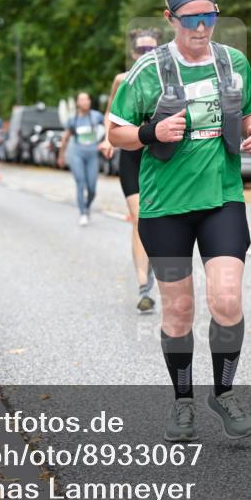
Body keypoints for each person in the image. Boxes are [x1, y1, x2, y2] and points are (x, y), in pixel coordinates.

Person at [108, 0, 251, 441]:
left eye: (209, 16)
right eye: (190, 19)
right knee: (178, 311)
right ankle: (183, 403)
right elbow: (115, 131)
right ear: (170, 18)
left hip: (222, 198)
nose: (201, 28)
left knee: (227, 299)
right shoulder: (147, 72)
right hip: (165, 208)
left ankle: (224, 392)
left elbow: (248, 118)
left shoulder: (234, 63)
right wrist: (148, 134)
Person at [100, 28, 162, 313]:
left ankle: (154, 268)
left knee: (157, 221)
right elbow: (112, 113)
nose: (145, 55)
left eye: (151, 50)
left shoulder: (168, 80)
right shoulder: (122, 80)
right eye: (141, 51)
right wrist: (106, 138)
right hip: (133, 158)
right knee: (140, 219)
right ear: (133, 53)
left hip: (162, 159)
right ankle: (143, 287)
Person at [58, 92, 104, 225]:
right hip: (77, 154)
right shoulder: (73, 119)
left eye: (87, 99)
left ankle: (87, 206)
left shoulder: (96, 116)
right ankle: (82, 213)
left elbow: (109, 124)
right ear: (78, 103)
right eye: (82, 100)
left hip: (92, 155)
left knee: (92, 188)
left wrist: (107, 141)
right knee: (80, 183)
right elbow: (65, 137)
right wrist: (61, 155)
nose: (85, 102)